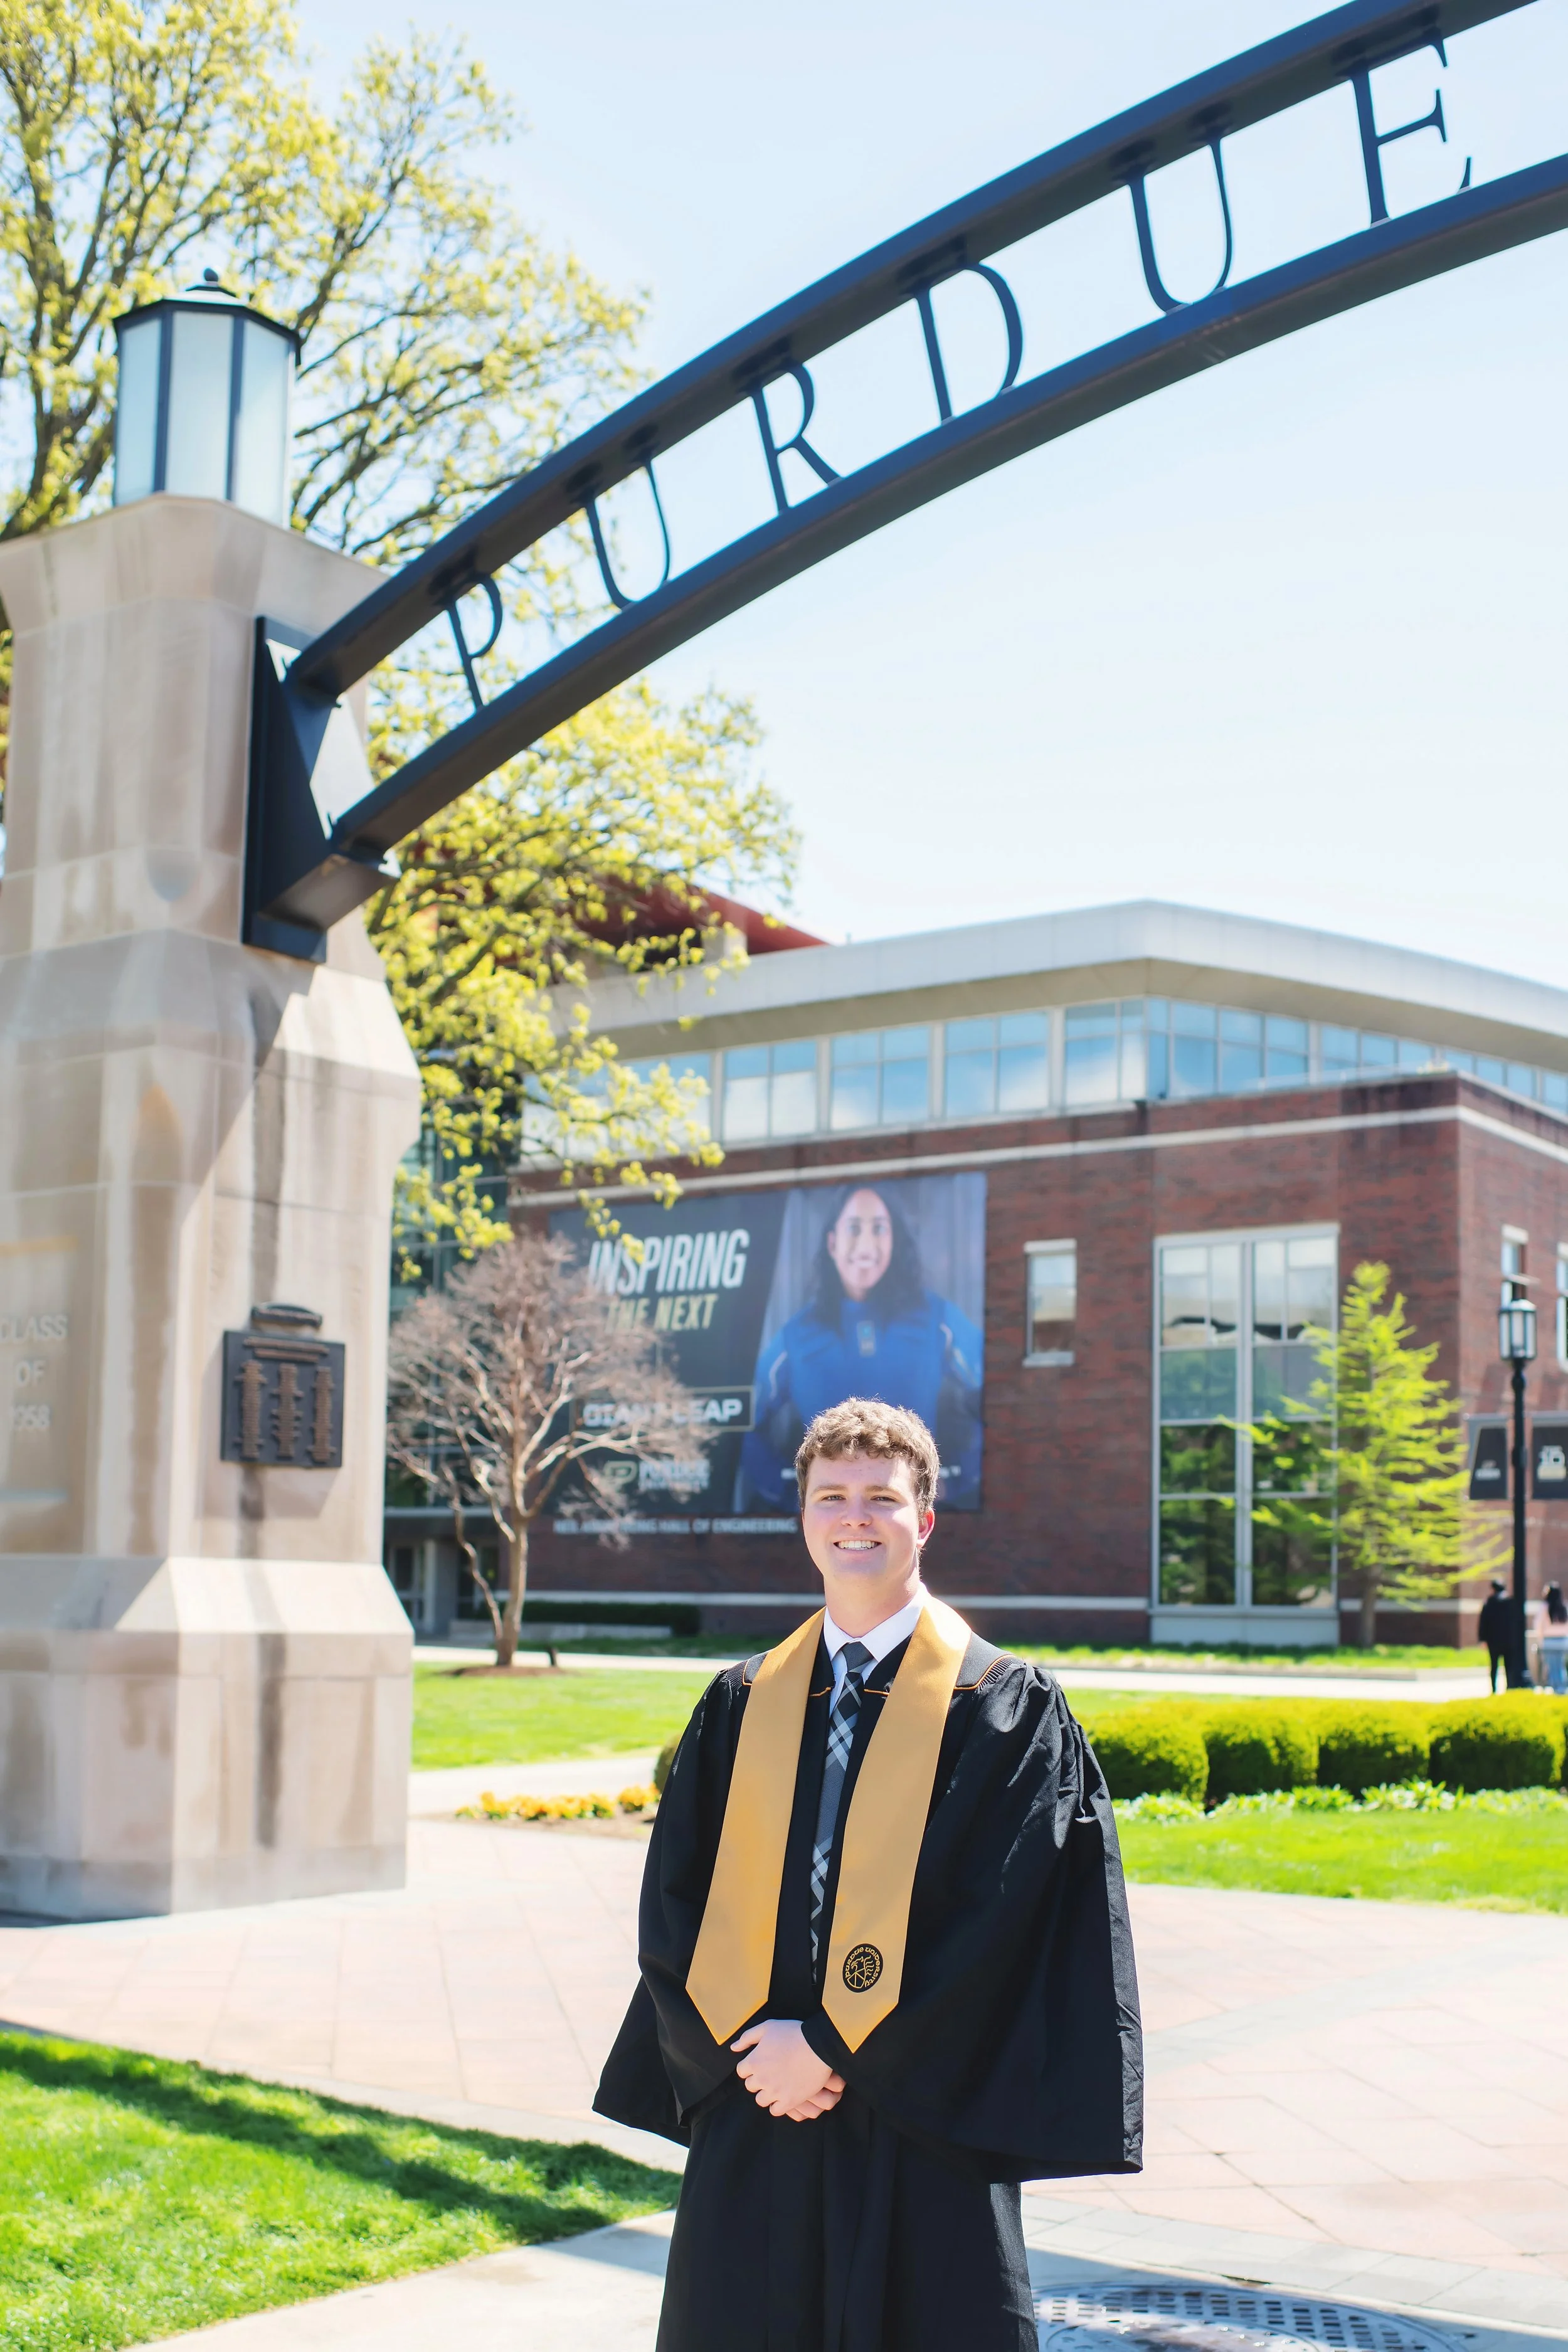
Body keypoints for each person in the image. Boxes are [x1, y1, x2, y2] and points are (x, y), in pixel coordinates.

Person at [596, 1397, 1142, 2352]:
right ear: (804, 1515)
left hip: (919, 2110)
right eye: (832, 1494)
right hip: (758, 2090)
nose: (856, 1515)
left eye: (882, 1497)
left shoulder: (1002, 1705)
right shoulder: (742, 1700)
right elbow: (675, 1900)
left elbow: (999, 1925)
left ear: (923, 1519)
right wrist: (749, 2046)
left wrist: (839, 2049)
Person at [738, 1186, 983, 1512]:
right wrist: (789, 1493)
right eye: (854, 1228)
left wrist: (962, 1478)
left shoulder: (940, 1321)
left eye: (879, 1229)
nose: (866, 1244)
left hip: (909, 1520)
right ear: (832, 1243)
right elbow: (741, 1421)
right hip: (832, 1528)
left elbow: (995, 1396)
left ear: (894, 1242)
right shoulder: (796, 1337)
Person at [1478, 1577, 1511, 1692]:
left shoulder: (1489, 1602)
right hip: (1508, 1640)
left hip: (1493, 1640)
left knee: (1494, 1666)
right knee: (1508, 1665)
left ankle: (1494, 1689)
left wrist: (1483, 1639)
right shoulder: (1509, 1602)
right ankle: (1509, 1687)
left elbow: (1483, 1622)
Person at [1537, 1583, 1568, 1695]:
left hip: (1549, 1641)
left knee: (1552, 1666)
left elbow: (1539, 1625)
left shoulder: (1545, 1607)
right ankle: (1562, 1688)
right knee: (1560, 1666)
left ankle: (1556, 1688)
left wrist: (1540, 1639)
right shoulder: (1563, 1606)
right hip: (1562, 1641)